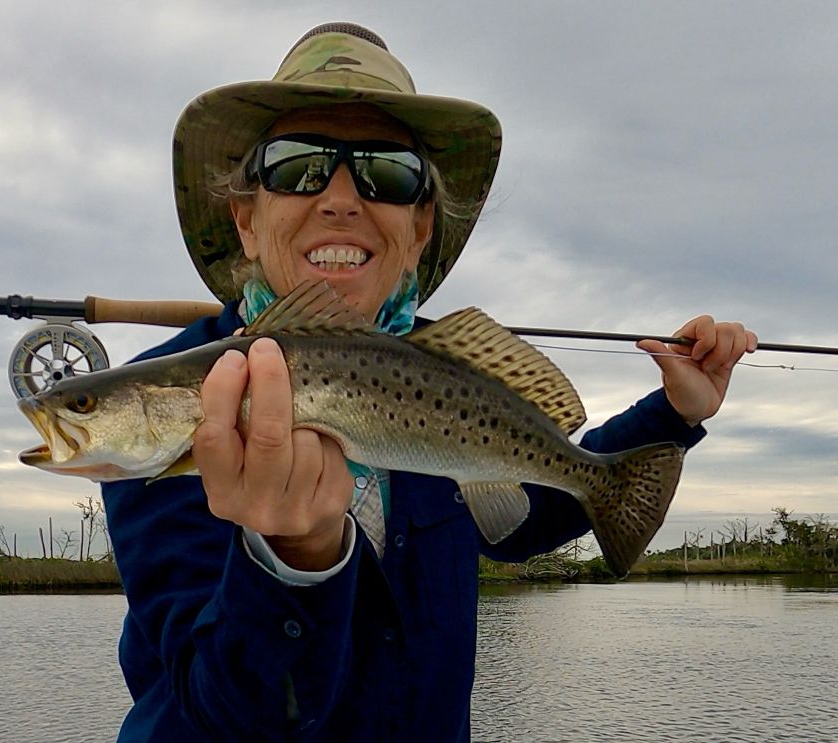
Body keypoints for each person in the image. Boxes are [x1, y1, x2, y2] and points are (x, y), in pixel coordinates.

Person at [101, 22, 756, 741]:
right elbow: (218, 711)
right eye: (298, 165)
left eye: (387, 172)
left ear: (418, 231)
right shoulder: (161, 413)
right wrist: (290, 561)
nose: (342, 197)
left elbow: (517, 516)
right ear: (246, 218)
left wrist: (670, 414)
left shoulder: (453, 372)